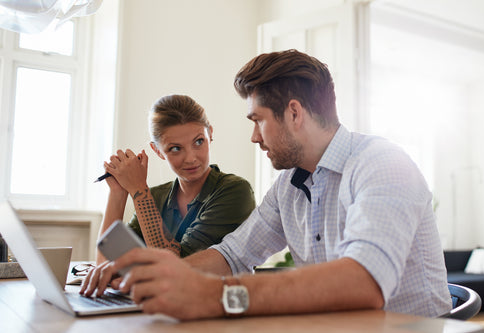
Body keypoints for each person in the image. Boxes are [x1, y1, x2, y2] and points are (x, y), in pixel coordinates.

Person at [81, 50, 452, 320]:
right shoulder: (289, 185)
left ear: (293, 113)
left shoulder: (381, 164)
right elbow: (233, 255)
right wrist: (154, 275)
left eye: (257, 120)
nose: (254, 137)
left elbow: (363, 283)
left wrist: (213, 296)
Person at [94, 94, 255, 265]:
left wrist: (138, 191)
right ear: (157, 150)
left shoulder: (236, 191)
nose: (191, 158)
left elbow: (176, 268)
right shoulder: (155, 197)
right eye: (176, 148)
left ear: (210, 134)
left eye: (199, 141)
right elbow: (105, 262)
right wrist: (118, 191)